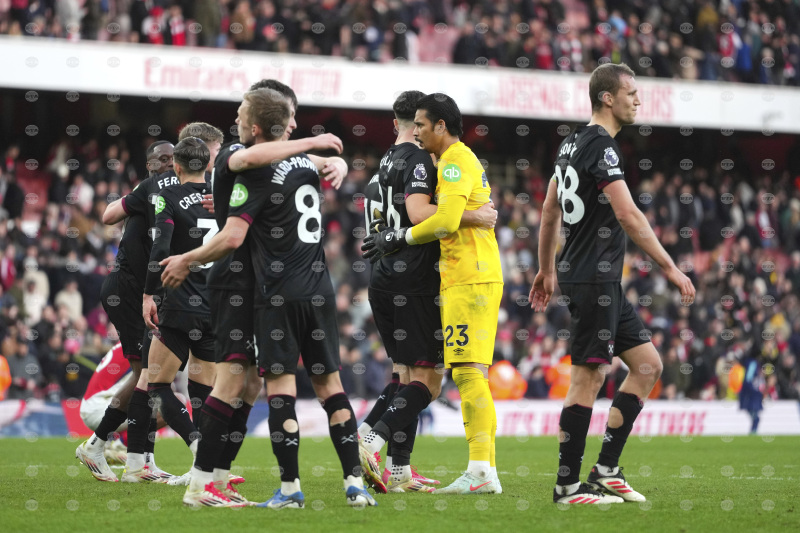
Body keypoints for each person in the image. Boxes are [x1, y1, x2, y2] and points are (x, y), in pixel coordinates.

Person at [166, 87, 375, 508]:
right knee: (239, 380)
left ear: (256, 124)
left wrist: (332, 160)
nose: (235, 118)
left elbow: (238, 226)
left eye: (241, 113)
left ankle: (225, 480)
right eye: (291, 118)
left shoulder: (266, 162)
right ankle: (206, 483)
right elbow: (268, 164)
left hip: (267, 288)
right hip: (265, 286)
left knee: (251, 384)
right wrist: (320, 150)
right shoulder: (256, 157)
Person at [529, 62, 696, 504]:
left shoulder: (571, 143)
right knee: (588, 377)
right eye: (631, 93)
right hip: (593, 277)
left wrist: (547, 269)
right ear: (608, 97)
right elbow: (627, 214)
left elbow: (549, 210)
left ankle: (605, 470)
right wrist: (669, 267)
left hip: (591, 276)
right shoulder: (603, 147)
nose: (638, 100)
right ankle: (567, 486)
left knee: (648, 366)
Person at [361, 93, 503, 494]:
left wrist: (398, 236)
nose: (418, 133)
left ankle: (407, 463)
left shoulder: (439, 161)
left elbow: (442, 219)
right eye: (417, 124)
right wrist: (476, 215)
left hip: (451, 277)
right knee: (434, 377)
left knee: (439, 374)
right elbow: (437, 217)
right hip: (430, 278)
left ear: (441, 125)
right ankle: (376, 445)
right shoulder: (432, 161)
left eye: (423, 126)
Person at [75, 140, 174, 483]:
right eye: (162, 159)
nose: (169, 164)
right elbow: (107, 216)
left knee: (151, 376)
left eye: (173, 159)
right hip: (129, 290)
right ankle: (98, 446)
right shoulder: (151, 187)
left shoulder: (172, 194)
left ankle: (139, 461)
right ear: (150, 165)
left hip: (144, 291)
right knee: (147, 374)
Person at [124, 137, 218, 483]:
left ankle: (197, 447)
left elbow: (160, 247)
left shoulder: (168, 196)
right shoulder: (221, 198)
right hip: (215, 307)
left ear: (176, 166)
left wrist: (149, 294)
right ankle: (203, 470)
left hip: (179, 304)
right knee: (203, 392)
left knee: (157, 384)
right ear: (206, 164)